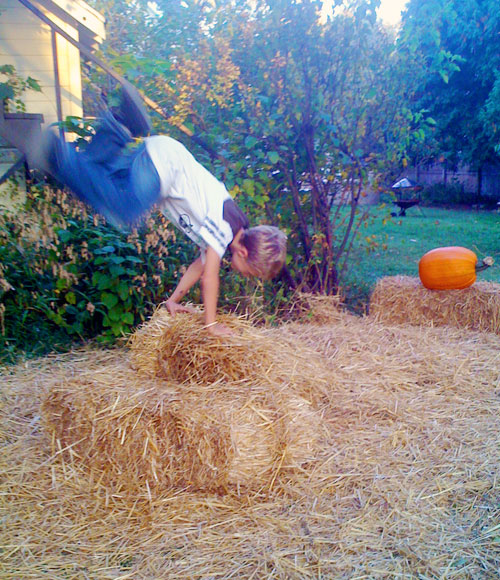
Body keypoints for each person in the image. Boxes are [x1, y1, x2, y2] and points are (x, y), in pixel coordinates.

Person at [35, 81, 287, 336]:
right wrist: (211, 325)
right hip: (164, 169)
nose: (247, 277)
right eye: (251, 273)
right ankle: (59, 156)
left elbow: (198, 267)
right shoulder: (225, 229)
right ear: (243, 252)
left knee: (104, 175)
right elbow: (209, 277)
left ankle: (120, 125)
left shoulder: (230, 227)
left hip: (160, 153)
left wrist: (173, 300)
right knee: (124, 210)